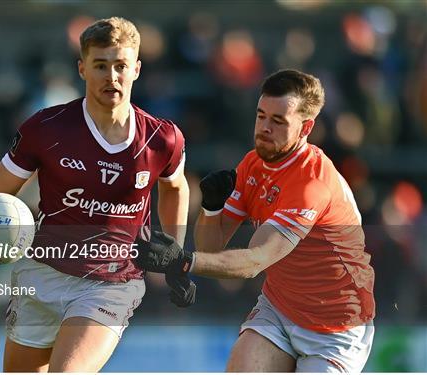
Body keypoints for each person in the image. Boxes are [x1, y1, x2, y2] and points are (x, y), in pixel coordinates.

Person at [0, 17, 193, 372]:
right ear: (82, 68)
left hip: (112, 281)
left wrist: (174, 250)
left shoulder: (162, 138)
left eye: (120, 66)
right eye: (100, 65)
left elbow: (175, 186)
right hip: (42, 272)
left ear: (137, 69)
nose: (111, 77)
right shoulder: (45, 128)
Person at [135, 69, 376, 373]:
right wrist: (211, 208)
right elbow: (212, 246)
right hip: (280, 309)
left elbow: (254, 262)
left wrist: (184, 261)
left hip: (335, 326)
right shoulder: (253, 164)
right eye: (261, 116)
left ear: (305, 128)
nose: (264, 128)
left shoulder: (310, 184)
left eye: (278, 121)